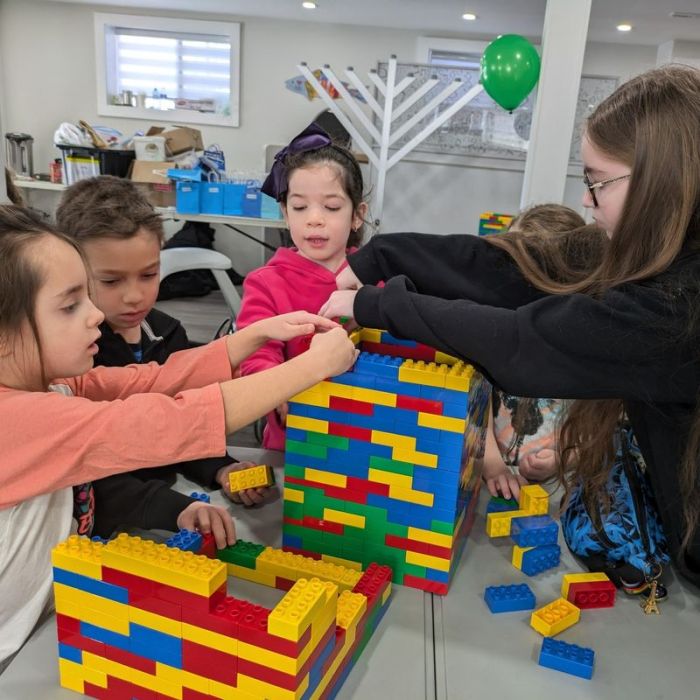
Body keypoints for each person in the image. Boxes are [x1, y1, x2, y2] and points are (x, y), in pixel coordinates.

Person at [320, 64, 700, 587]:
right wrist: (384, 255)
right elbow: (524, 268)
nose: (586, 200)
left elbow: (525, 345)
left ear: (660, 182)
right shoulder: (657, 252)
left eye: (597, 182)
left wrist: (378, 306)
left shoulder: (679, 305)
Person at [0, 204, 357, 667]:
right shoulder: (17, 419)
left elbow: (151, 381)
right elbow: (166, 423)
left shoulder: (52, 384)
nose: (95, 314)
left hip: (39, 626)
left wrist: (250, 338)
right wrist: (311, 366)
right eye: (70, 306)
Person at [56, 178, 265, 545]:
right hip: (98, 531)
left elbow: (181, 426)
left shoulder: (167, 334)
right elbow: (88, 475)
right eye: (111, 281)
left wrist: (221, 468)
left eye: (149, 274)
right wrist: (176, 509)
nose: (134, 296)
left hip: (167, 508)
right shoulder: (67, 359)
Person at [236, 123, 367, 450]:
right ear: (285, 213)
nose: (314, 219)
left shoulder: (373, 277)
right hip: (295, 442)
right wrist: (274, 387)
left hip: (367, 437)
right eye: (299, 207)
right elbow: (256, 351)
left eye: (331, 207)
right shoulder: (267, 283)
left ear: (357, 215)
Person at [482, 204, 586, 500]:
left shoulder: (587, 342)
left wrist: (564, 458)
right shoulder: (492, 326)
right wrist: (492, 464)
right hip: (489, 479)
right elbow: (475, 403)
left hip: (556, 490)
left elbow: (597, 432)